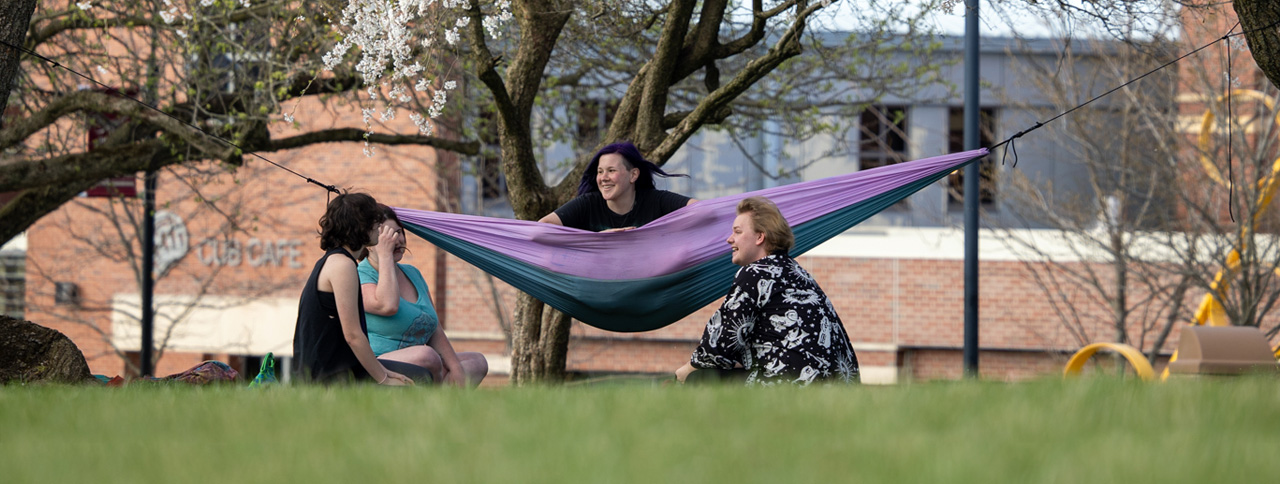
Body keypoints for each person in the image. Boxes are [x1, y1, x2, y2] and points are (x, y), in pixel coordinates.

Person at [675, 196, 859, 385]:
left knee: (699, 380)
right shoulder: (798, 274)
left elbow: (721, 341)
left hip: (791, 385)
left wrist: (687, 370)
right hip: (837, 388)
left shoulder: (755, 272)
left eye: (737, 232)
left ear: (760, 237)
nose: (729, 239)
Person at [292, 192, 430, 385]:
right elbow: (353, 335)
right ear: (361, 227)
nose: (381, 228)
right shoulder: (342, 265)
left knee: (420, 374)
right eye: (377, 222)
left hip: (344, 367)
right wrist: (384, 380)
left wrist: (385, 371)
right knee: (419, 379)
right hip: (329, 375)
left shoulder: (338, 260)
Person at [359, 204, 489, 387]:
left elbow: (433, 326)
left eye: (399, 232)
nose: (396, 240)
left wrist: (456, 369)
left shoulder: (413, 273)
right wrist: (385, 256)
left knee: (476, 362)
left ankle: (439, 406)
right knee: (426, 355)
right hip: (379, 364)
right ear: (370, 243)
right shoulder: (360, 274)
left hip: (424, 362)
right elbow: (387, 305)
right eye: (387, 236)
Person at [538, 141, 696, 232]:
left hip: (648, 283)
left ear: (633, 175)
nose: (603, 178)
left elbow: (700, 208)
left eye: (611, 171)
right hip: (599, 284)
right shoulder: (588, 204)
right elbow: (542, 228)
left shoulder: (655, 201)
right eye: (600, 172)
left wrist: (721, 227)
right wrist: (596, 239)